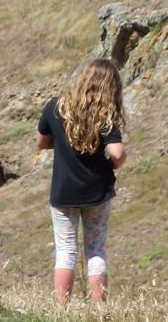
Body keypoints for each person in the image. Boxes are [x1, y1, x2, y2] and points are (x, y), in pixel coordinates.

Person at [38, 59, 127, 305]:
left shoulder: (55, 107)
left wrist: (64, 143)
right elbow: (117, 153)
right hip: (97, 192)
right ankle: (99, 310)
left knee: (65, 251)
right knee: (95, 249)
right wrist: (113, 164)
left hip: (63, 192)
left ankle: (62, 309)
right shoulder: (104, 114)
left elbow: (42, 142)